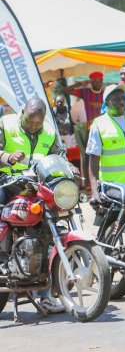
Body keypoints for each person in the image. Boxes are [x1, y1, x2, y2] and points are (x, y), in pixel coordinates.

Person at [0, 97, 66, 313]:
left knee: (46, 233)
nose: (34, 126)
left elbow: (58, 154)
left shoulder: (48, 131)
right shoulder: (6, 124)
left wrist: (67, 167)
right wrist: (7, 156)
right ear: (22, 112)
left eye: (38, 122)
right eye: (30, 121)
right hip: (6, 183)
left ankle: (46, 296)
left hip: (34, 187)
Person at [86, 84, 125, 198]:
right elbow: (93, 160)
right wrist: (94, 190)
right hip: (113, 188)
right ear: (107, 103)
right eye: (116, 100)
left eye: (123, 98)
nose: (122, 102)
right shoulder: (99, 124)